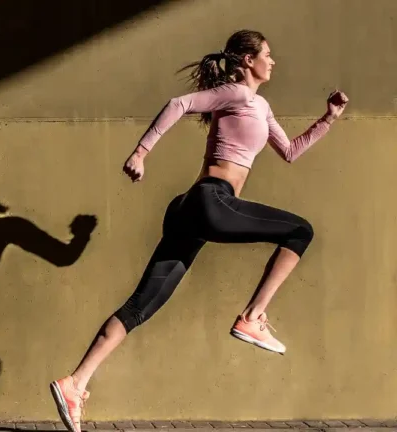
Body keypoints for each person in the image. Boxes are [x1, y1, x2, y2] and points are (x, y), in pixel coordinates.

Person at [48, 29, 349, 432]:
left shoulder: (260, 106)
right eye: (268, 54)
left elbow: (290, 152)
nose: (273, 61)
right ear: (247, 61)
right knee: (300, 232)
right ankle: (253, 316)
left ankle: (75, 383)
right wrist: (141, 151)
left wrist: (328, 118)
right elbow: (181, 102)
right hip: (211, 200)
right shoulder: (237, 93)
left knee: (140, 306)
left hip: (192, 210)